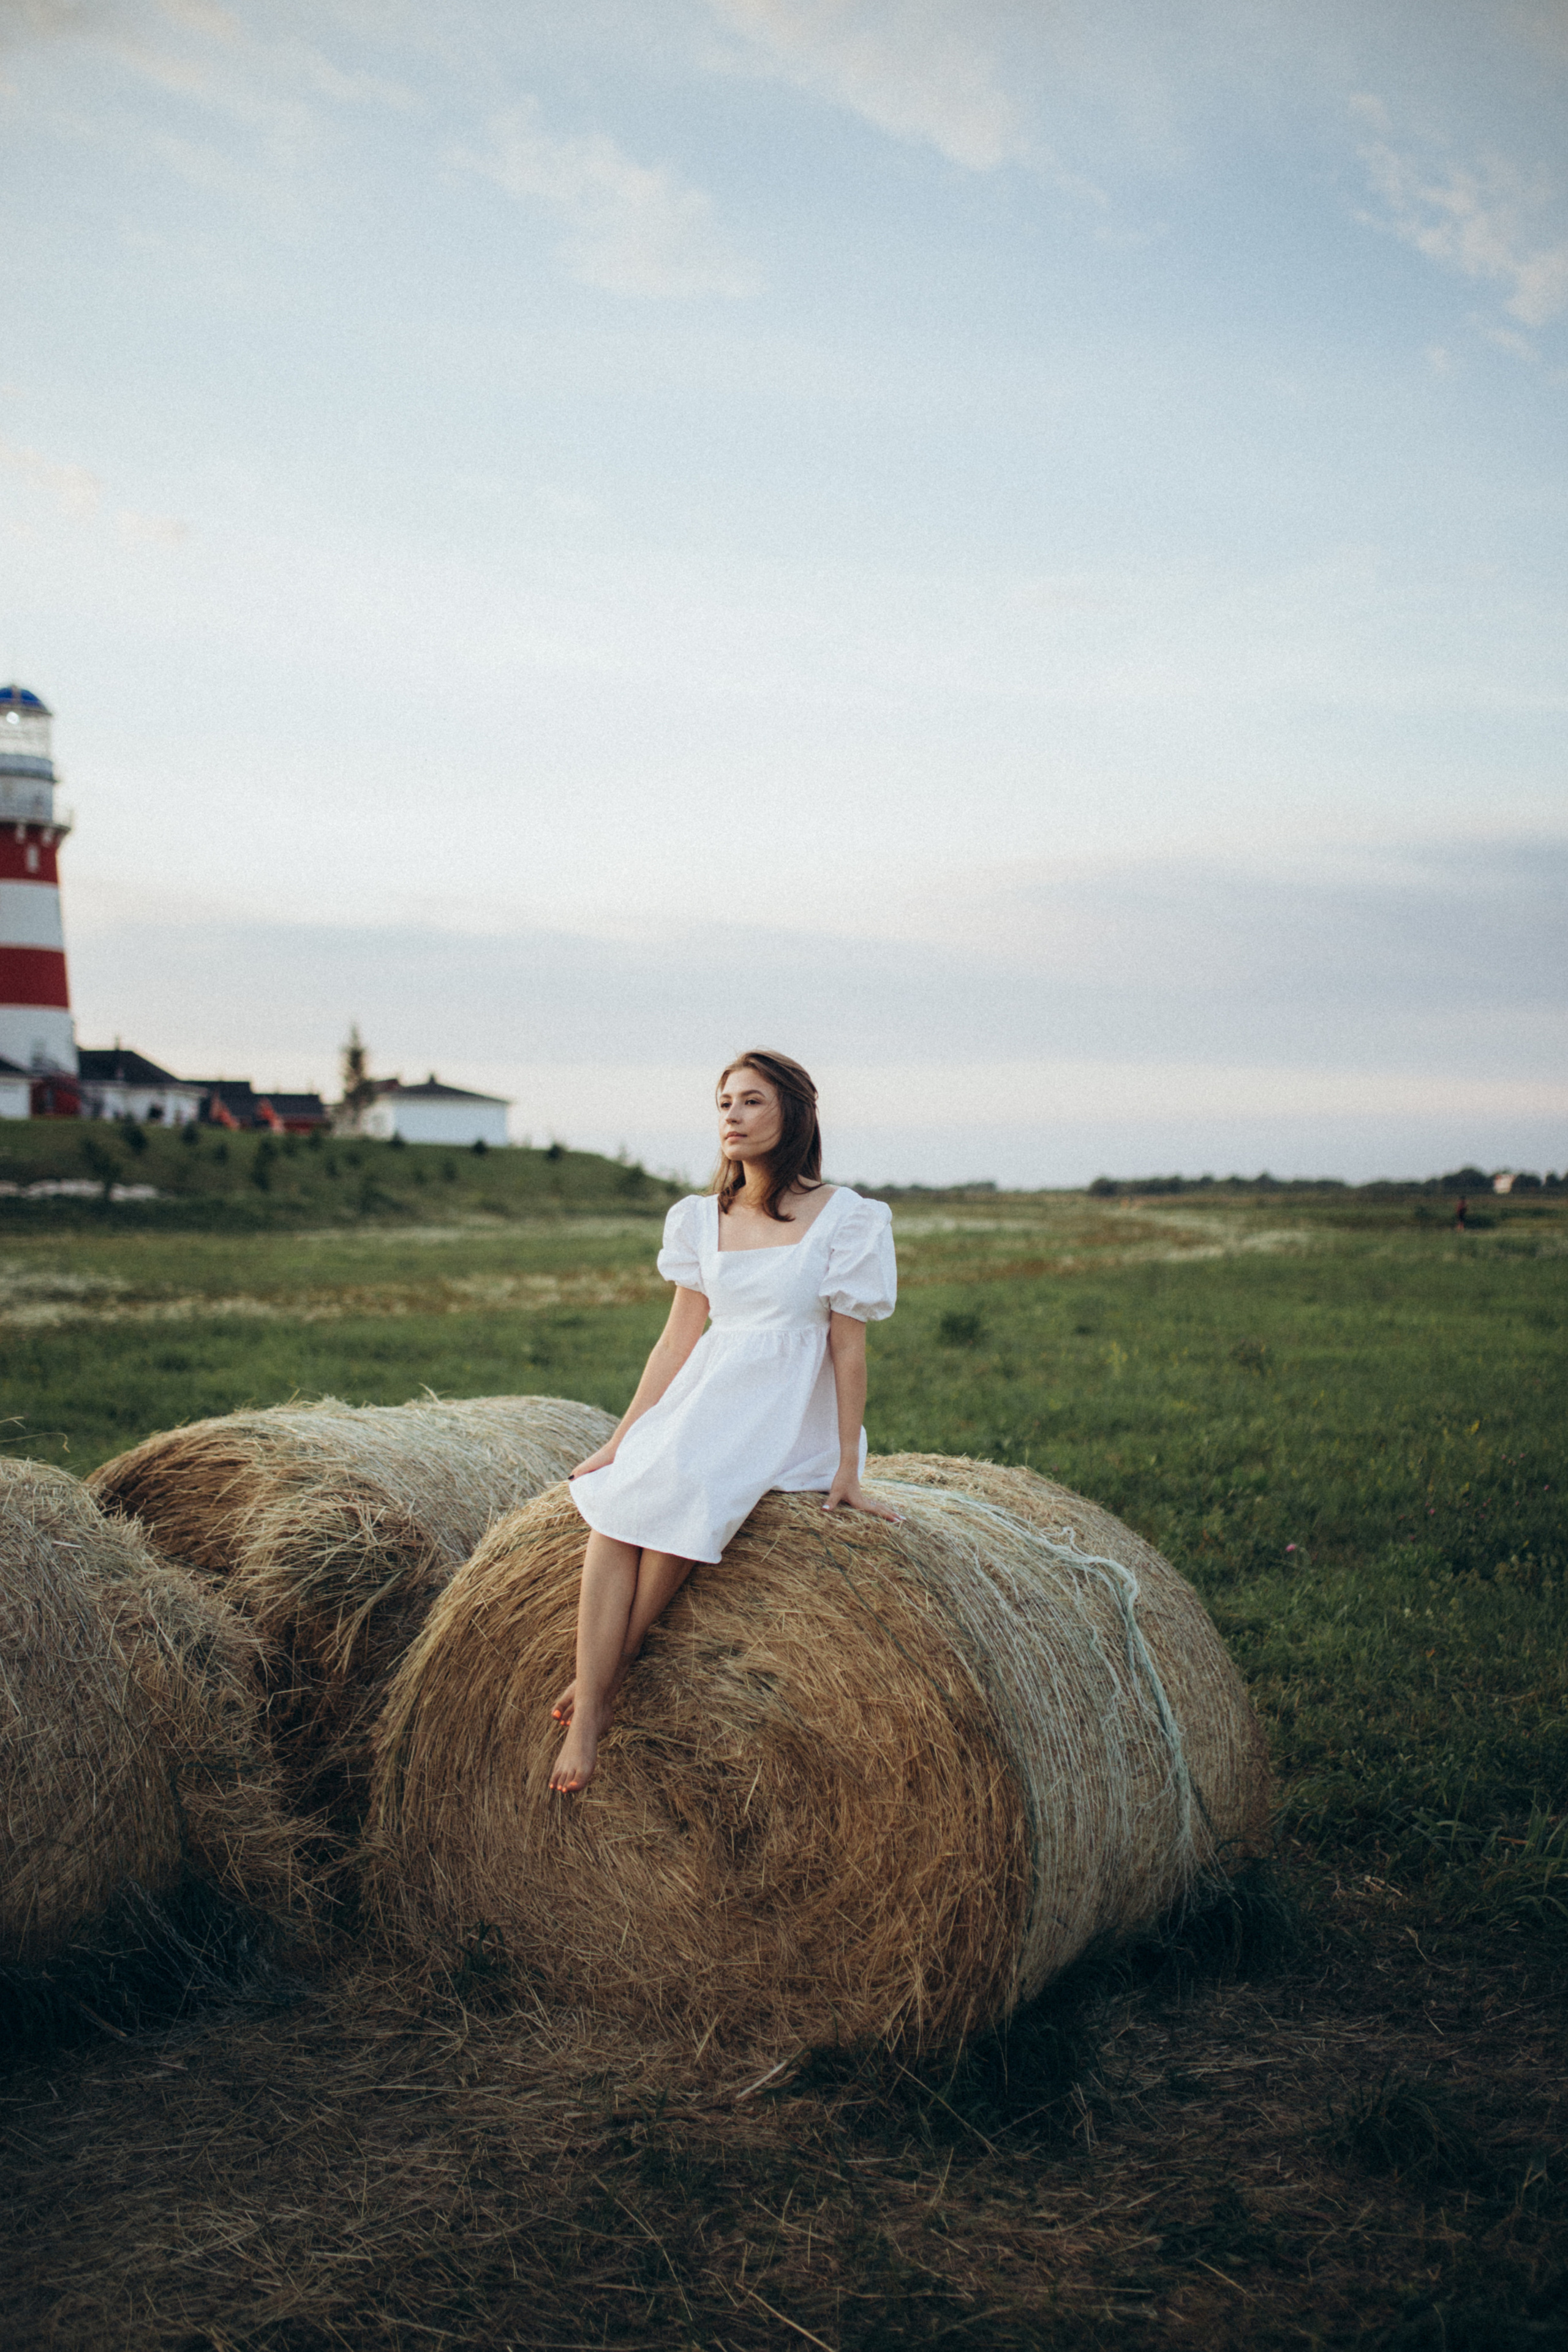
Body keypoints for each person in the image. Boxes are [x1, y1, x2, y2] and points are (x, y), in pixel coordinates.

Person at [548, 1049, 900, 1794]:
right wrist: (621, 1439)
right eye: (722, 1104)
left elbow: (847, 1345)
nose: (730, 1119)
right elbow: (677, 1339)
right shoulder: (698, 1218)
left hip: (785, 1408)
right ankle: (590, 1710)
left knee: (691, 1498)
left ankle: (605, 1685)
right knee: (617, 1511)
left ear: (791, 1115)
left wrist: (846, 1467)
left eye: (749, 1103)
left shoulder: (848, 1215)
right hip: (713, 1391)